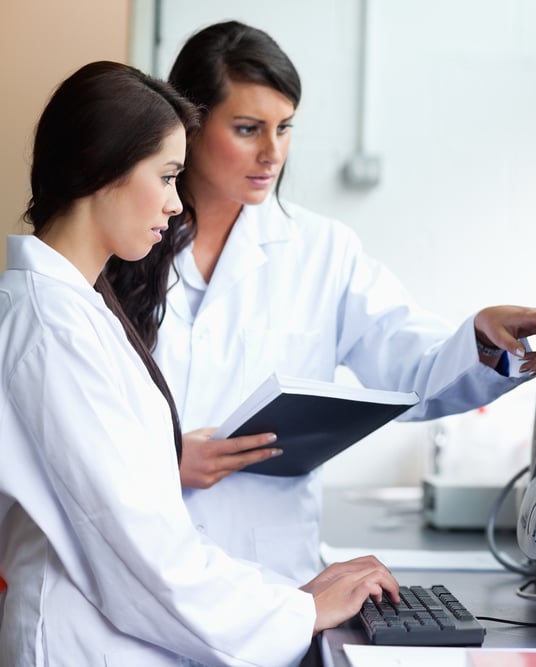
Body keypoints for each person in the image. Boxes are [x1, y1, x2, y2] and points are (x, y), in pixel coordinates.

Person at [105, 20, 536, 586]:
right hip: (136, 559)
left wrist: (480, 333)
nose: (272, 152)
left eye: (285, 127)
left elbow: (413, 370)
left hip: (268, 572)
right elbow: (67, 416)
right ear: (191, 125)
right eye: (248, 128)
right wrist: (161, 460)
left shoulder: (322, 251)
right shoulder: (123, 244)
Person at [0, 60, 399, 666]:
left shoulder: (75, 309)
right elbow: (138, 548)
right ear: (101, 168)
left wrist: (283, 599)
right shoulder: (51, 327)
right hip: (78, 643)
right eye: (165, 177)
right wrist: (300, 609)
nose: (173, 204)